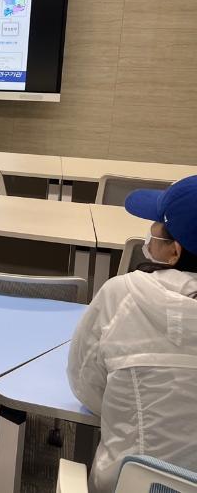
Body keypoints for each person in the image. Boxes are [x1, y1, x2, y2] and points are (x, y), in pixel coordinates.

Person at [68, 176, 197, 493]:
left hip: (126, 484)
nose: (149, 233)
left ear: (174, 252)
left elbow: (86, 387)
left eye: (156, 227)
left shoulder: (121, 295)